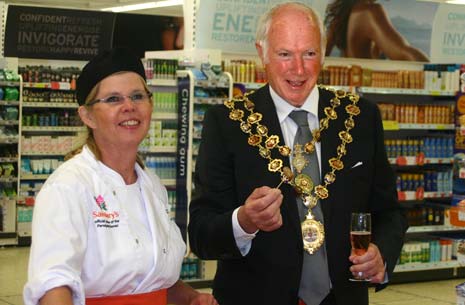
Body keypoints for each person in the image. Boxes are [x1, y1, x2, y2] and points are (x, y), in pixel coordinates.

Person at [188, 3, 408, 305]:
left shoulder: (359, 118)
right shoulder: (227, 123)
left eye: (309, 53)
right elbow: (201, 233)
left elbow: (389, 212)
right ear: (262, 53)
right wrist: (244, 221)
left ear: (323, 53)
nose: (299, 69)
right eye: (284, 54)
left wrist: (381, 252)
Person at [23, 47, 218, 305]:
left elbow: (150, 279)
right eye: (113, 99)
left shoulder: (152, 185)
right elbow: (53, 285)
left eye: (138, 96)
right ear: (87, 116)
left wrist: (191, 298)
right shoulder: (68, 186)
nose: (129, 107)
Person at [325, 0, 429, 62]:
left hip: (351, 92)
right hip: (366, 93)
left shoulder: (342, 14)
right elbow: (405, 53)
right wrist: (438, 76)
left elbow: (321, 55)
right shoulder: (370, 11)